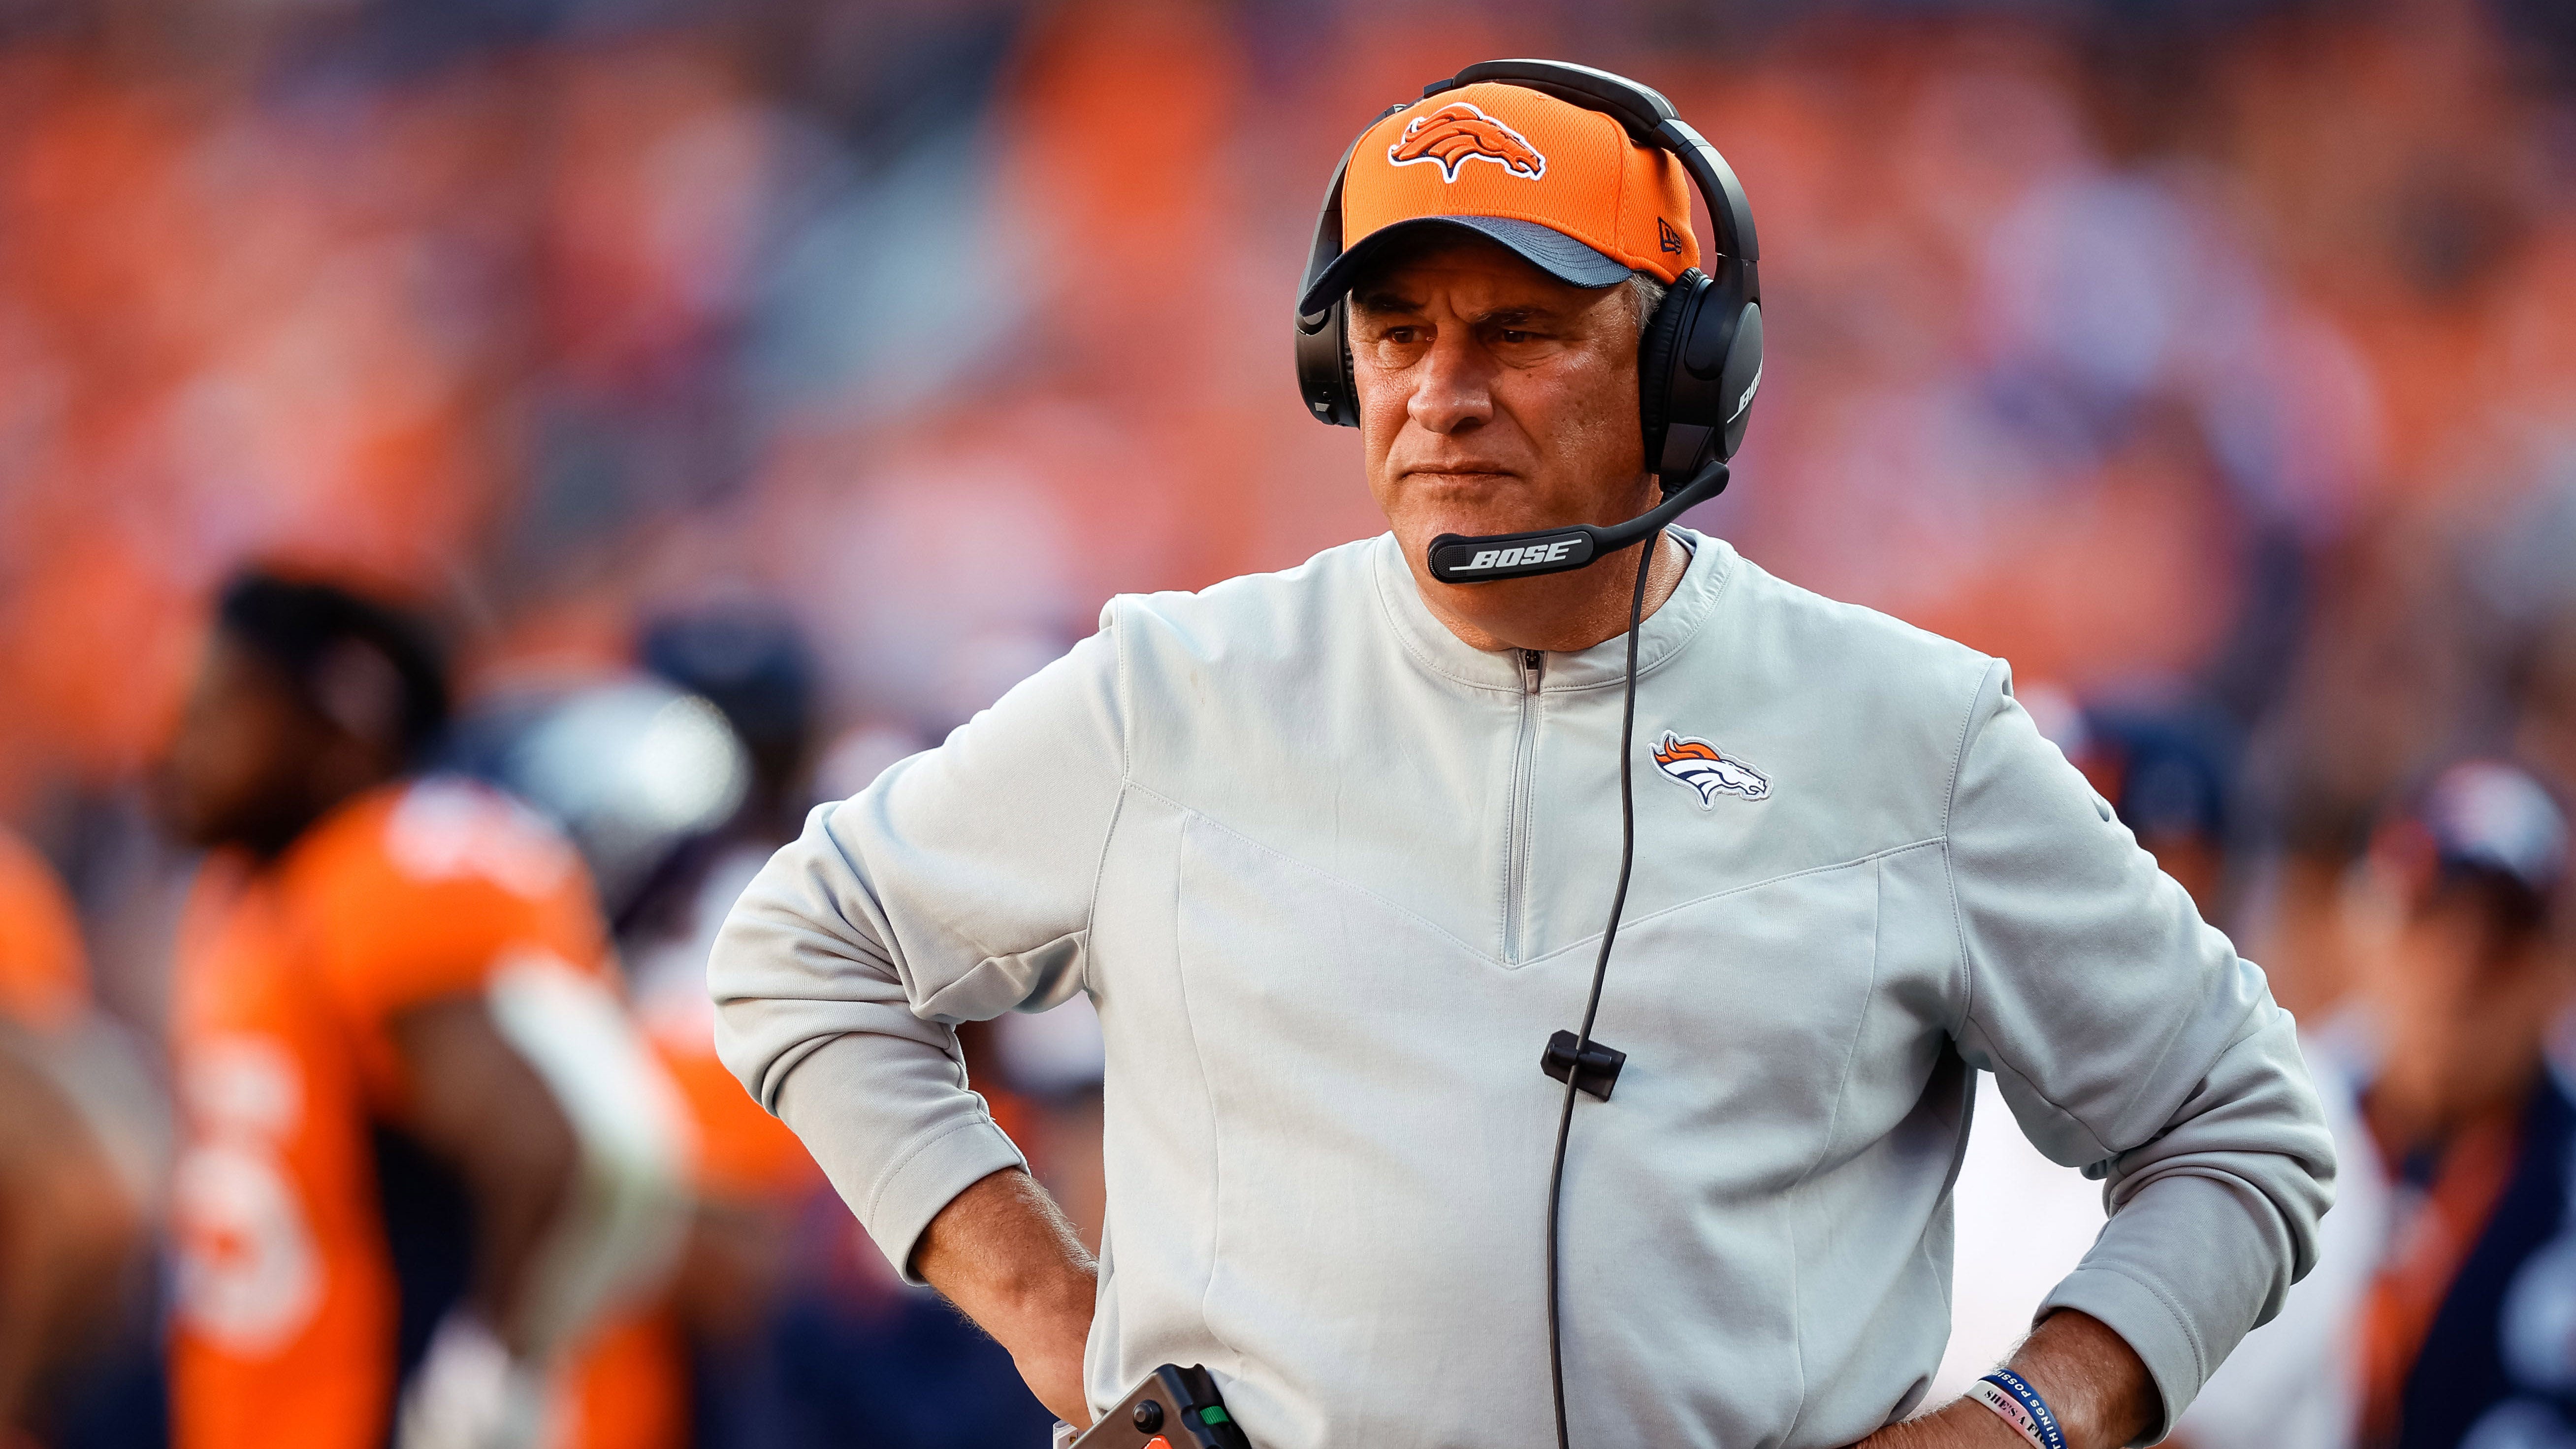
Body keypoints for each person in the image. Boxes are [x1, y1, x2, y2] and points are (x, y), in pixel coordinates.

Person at [711, 64, 2335, 1449]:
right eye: (1396, 331)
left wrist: (2038, 1411)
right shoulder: (1175, 690)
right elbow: (805, 948)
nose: (1441, 393)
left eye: (1522, 331)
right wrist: (1046, 1302)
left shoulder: (1911, 731)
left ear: (1687, 364)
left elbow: (2241, 1124)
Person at [156, 570, 692, 1449]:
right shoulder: (256, 896)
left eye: (224, 709)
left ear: (342, 720)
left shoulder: (391, 864)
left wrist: (486, 1377)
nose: (180, 743)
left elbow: (589, 1148)